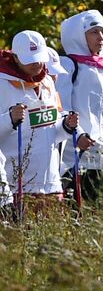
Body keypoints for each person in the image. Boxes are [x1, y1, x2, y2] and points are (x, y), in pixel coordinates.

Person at [2, 31, 92, 218]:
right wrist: (9, 118)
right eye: (30, 59)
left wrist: (66, 126)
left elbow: (50, 129)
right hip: (16, 185)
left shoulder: (48, 82)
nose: (36, 63)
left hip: (50, 183)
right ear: (16, 57)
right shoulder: (2, 84)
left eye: (39, 58)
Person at [57, 9, 103, 202]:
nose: (100, 37)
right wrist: (77, 135)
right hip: (73, 158)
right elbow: (61, 106)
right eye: (94, 32)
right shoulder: (68, 65)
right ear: (78, 36)